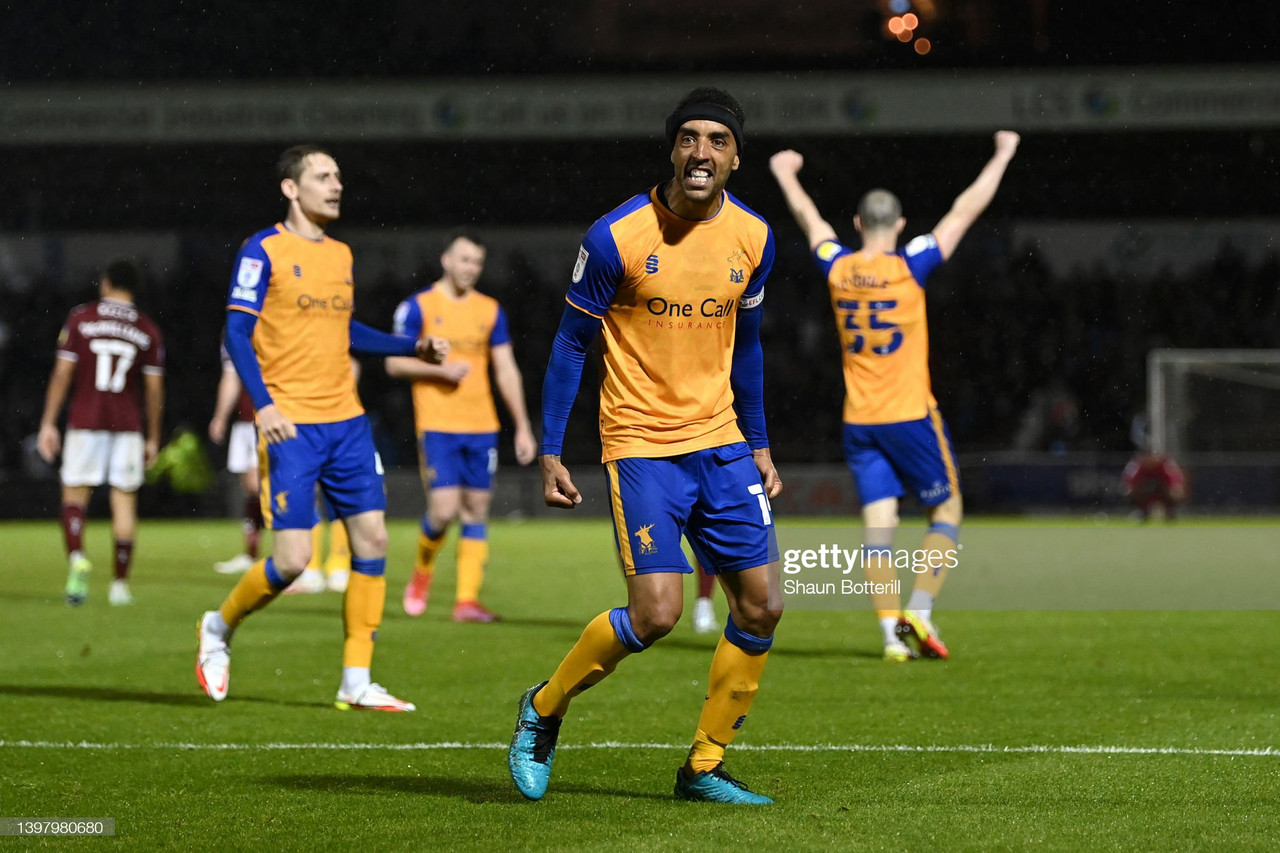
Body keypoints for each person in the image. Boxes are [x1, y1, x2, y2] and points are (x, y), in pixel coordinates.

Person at [508, 87, 782, 805]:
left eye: (717, 141)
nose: (701, 152)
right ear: (671, 149)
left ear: (735, 158)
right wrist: (551, 448)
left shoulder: (755, 237)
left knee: (761, 607)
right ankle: (543, 707)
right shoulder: (615, 236)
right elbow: (570, 344)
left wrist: (758, 442)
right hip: (642, 445)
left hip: (722, 444)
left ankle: (703, 765)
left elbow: (746, 346)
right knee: (657, 612)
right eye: (689, 137)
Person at [195, 144, 447, 712]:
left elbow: (345, 329)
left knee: (375, 541)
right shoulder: (262, 250)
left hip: (347, 423)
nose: (337, 185)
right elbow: (237, 333)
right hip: (291, 424)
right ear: (291, 188)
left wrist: (413, 347)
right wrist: (264, 406)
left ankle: (356, 680)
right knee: (291, 561)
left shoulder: (341, 255)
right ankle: (218, 625)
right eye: (323, 176)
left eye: (339, 177)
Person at [769, 131, 1020, 662]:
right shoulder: (914, 264)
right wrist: (1001, 153)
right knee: (947, 509)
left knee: (878, 529)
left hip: (859, 420)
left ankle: (890, 638)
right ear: (901, 225)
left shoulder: (837, 266)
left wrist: (787, 173)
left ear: (858, 225)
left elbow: (810, 220)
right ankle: (920, 612)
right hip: (909, 414)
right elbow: (964, 210)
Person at [387, 230, 537, 622]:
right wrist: (439, 371)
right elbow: (393, 362)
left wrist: (521, 425)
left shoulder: (489, 310)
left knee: (476, 510)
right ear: (446, 260)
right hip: (437, 424)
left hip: (481, 424)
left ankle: (466, 601)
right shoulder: (418, 307)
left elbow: (505, 368)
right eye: (464, 260)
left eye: (477, 262)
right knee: (442, 511)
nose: (470, 268)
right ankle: (421, 573)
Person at [36, 259, 165, 607]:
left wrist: (48, 422)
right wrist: (153, 436)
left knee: (75, 497)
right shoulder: (148, 328)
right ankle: (120, 586)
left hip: (86, 420)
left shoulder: (82, 318)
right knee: (124, 502)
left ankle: (78, 558)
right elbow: (153, 389)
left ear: (106, 282)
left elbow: (63, 374)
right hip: (127, 425)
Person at [208, 336, 262, 575]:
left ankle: (292, 557)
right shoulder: (237, 327)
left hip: (275, 417)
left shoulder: (282, 317)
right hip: (247, 420)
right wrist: (220, 416)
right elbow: (231, 375)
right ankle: (250, 553)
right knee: (251, 488)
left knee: (268, 487)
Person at [1121, 451, 1187, 521]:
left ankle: (1170, 512)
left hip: (1162, 493)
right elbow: (1130, 482)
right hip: (1146, 495)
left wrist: (1175, 489)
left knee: (1175, 492)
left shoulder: (1165, 466)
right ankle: (1141, 512)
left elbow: (1175, 480)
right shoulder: (1138, 466)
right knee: (1130, 492)